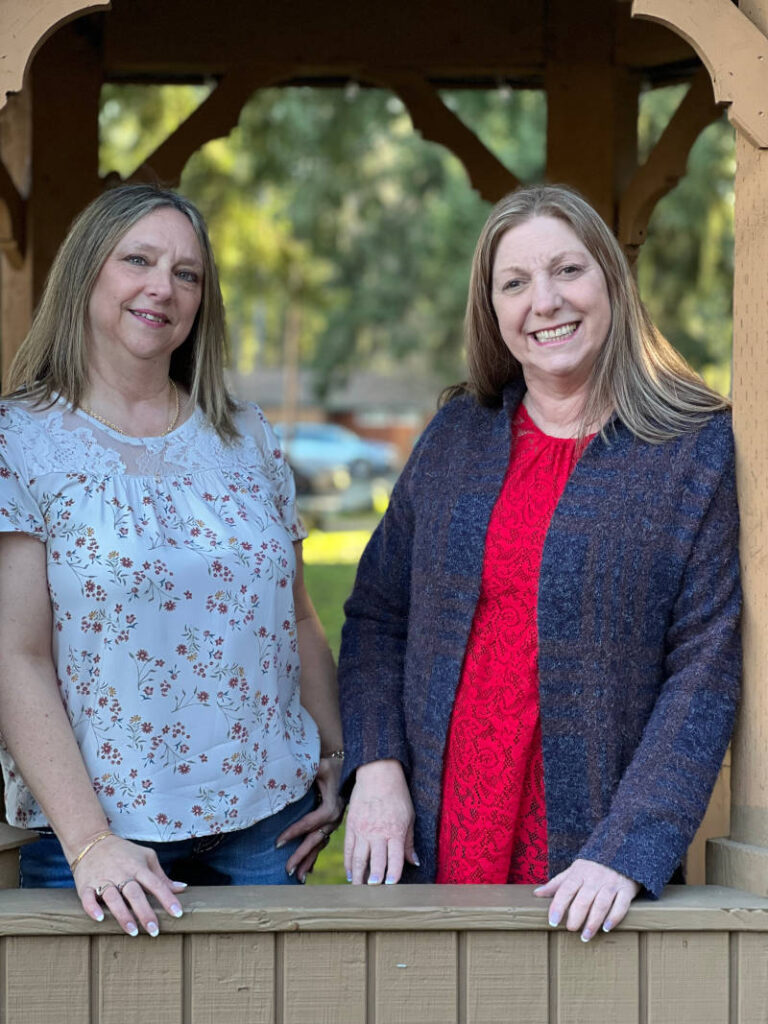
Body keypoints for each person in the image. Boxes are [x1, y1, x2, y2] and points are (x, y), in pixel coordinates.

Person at [338, 185, 741, 941]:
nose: (545, 302)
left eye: (568, 270)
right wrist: (378, 767)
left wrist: (626, 849)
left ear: (612, 282)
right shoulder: (457, 434)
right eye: (515, 283)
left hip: (589, 864)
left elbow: (706, 665)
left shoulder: (694, 449)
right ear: (491, 311)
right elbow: (376, 616)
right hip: (439, 837)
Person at [0, 184, 344, 937]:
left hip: (269, 827)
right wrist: (90, 843)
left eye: (188, 274)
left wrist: (336, 750)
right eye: (140, 261)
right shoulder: (19, 441)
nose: (163, 287)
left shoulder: (246, 436)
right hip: (103, 838)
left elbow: (299, 616)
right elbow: (14, 656)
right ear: (87, 272)